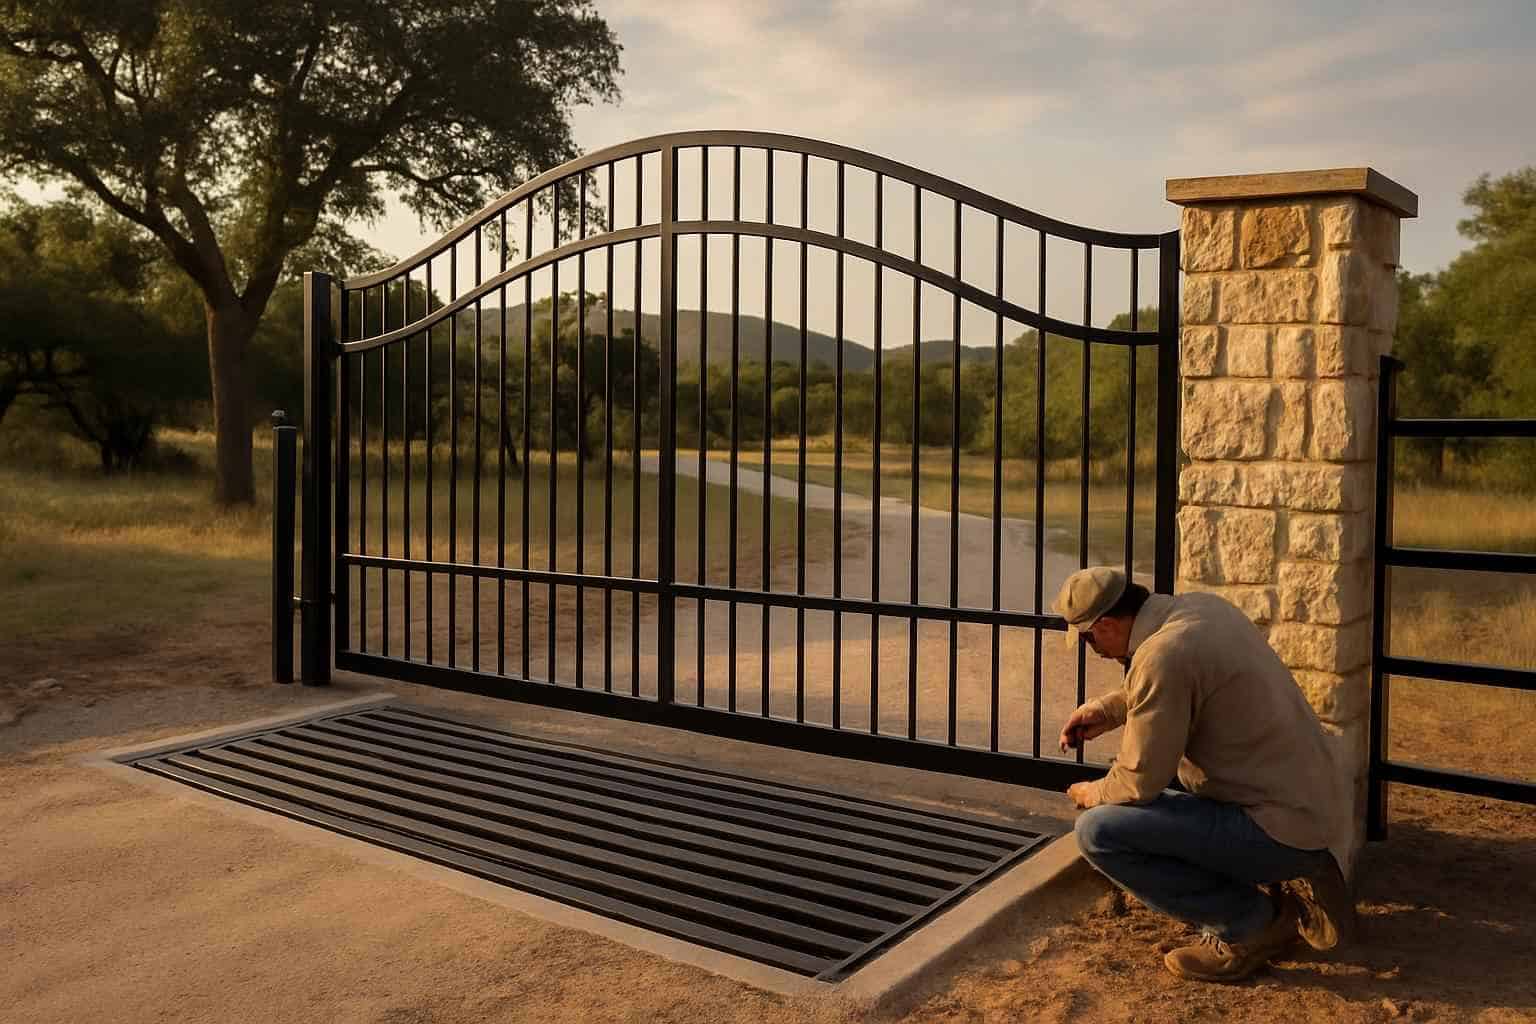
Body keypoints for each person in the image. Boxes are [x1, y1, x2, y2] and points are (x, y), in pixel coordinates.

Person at [1054, 566, 1357, 983]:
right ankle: (1299, 872)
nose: (1093, 649)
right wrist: (1110, 710)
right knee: (1163, 790)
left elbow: (1137, 783)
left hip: (1279, 827)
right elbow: (1173, 681)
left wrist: (1089, 792)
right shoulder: (1200, 610)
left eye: (1088, 639)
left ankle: (1252, 925)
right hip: (1312, 805)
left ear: (1105, 625)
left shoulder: (1161, 657)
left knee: (1098, 831)